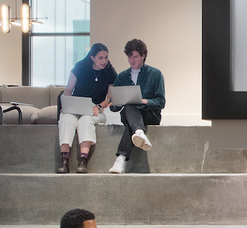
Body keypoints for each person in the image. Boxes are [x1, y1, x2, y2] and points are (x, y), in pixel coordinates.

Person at [106, 38, 166, 175]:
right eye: (129, 57)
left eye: (135, 57)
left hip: (149, 115)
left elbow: (161, 102)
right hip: (130, 114)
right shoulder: (122, 77)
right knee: (128, 107)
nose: (132, 61)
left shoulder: (155, 74)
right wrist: (115, 102)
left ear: (143, 56)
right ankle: (139, 133)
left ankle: (120, 158)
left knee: (130, 118)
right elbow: (114, 108)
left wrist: (145, 101)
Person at [57, 43, 118, 174]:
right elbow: (68, 89)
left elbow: (110, 97)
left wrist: (99, 106)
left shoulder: (110, 72)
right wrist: (66, 104)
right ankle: (64, 160)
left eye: (106, 57)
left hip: (96, 110)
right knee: (66, 119)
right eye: (100, 58)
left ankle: (83, 161)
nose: (104, 61)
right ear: (92, 57)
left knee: (86, 120)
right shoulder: (79, 67)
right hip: (75, 108)